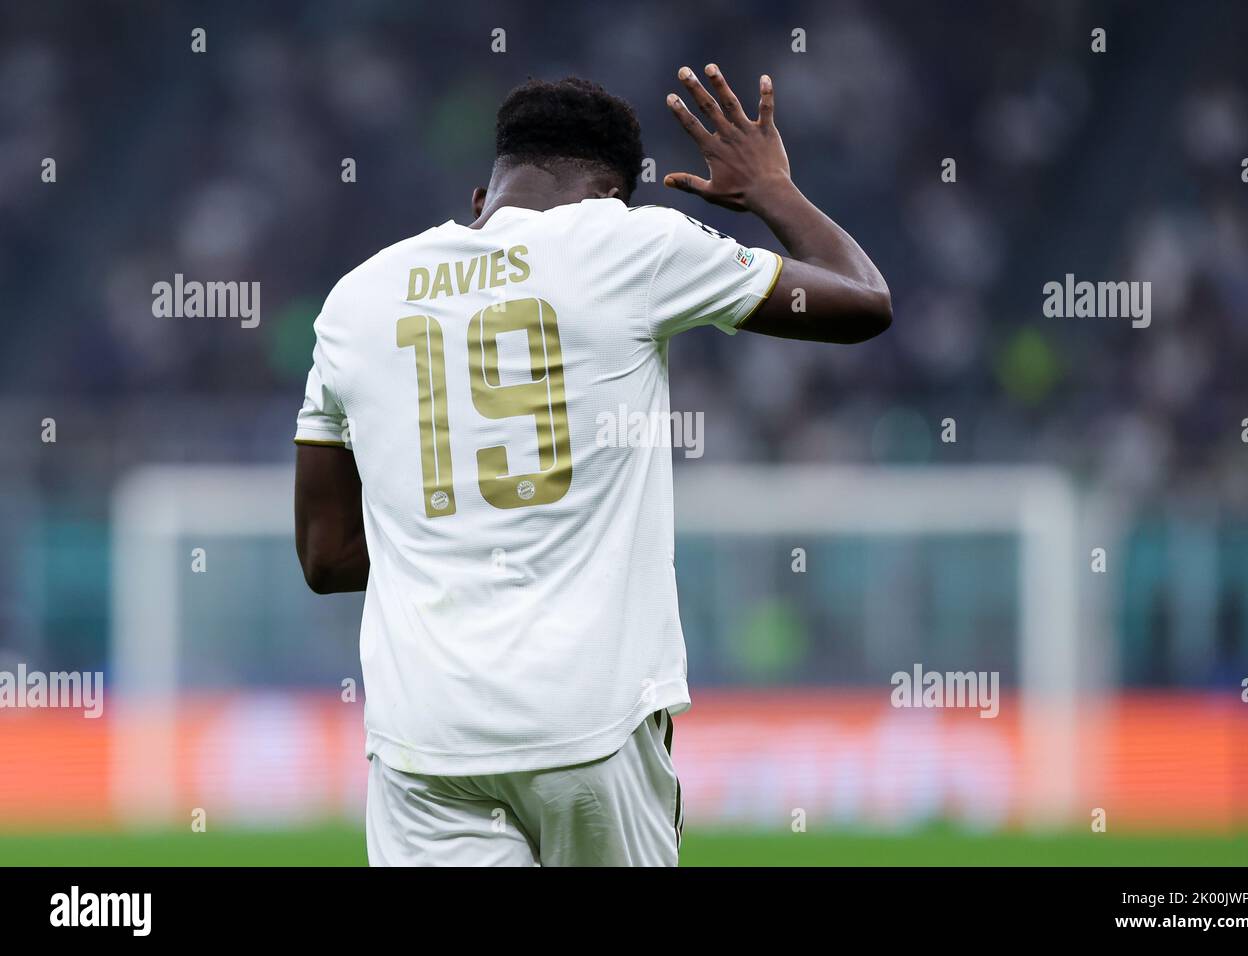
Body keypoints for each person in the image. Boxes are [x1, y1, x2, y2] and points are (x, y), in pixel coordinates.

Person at [293, 64, 891, 866]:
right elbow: (864, 301)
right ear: (612, 196)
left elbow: (327, 560)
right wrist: (771, 190)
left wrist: (455, 540)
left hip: (423, 739)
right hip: (587, 724)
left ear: (485, 197)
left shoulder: (356, 299)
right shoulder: (631, 243)